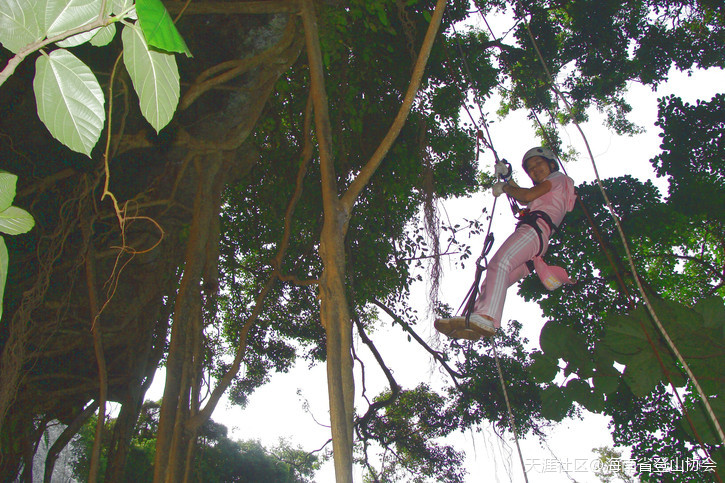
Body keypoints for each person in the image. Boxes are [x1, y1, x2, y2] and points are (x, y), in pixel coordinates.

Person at [435, 147, 577, 340]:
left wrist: (505, 187)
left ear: (552, 164)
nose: (534, 169)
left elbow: (526, 196)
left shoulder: (557, 178)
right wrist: (508, 178)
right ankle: (475, 321)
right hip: (538, 242)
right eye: (530, 169)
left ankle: (486, 316)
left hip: (535, 231)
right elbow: (527, 197)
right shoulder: (551, 191)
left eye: (538, 163)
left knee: (499, 264)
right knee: (494, 279)